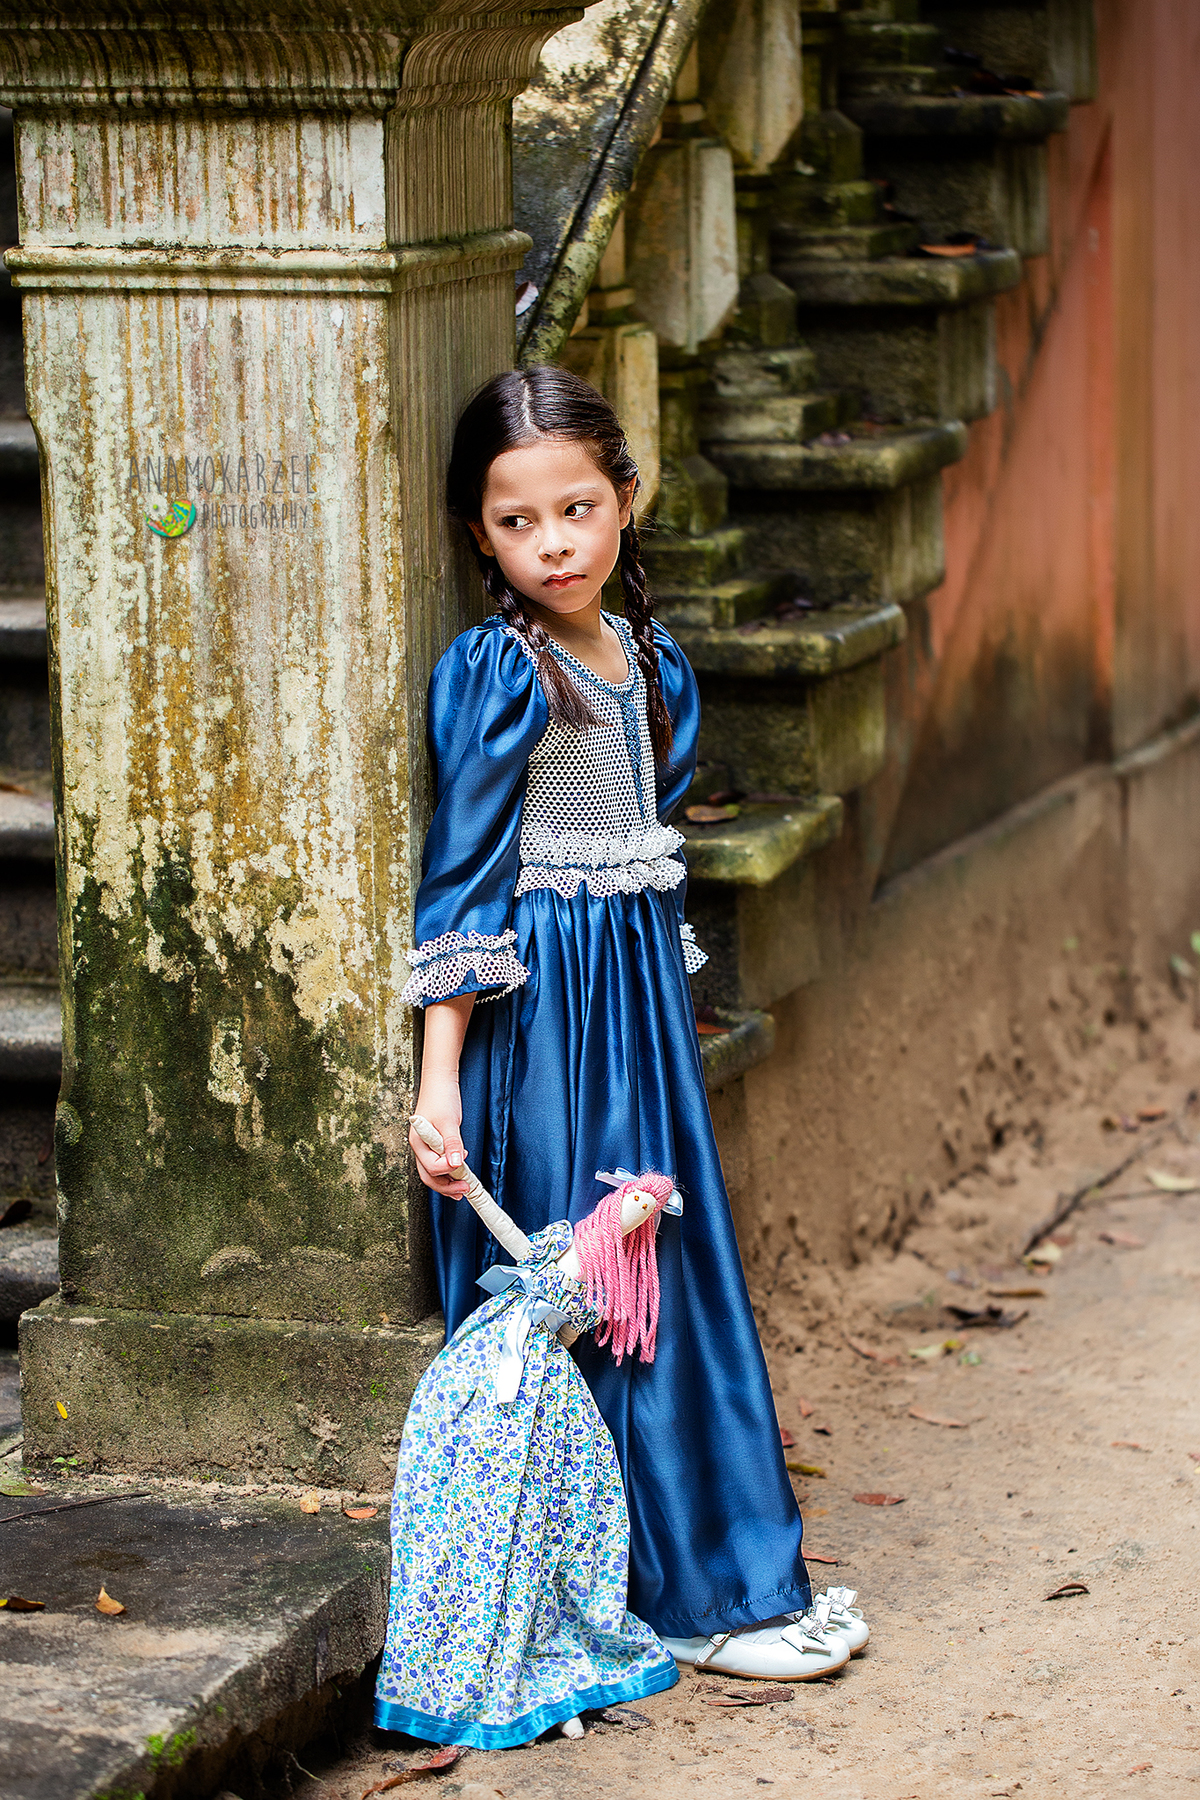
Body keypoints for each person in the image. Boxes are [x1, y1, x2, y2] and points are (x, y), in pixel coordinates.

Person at [401, 365, 863, 1680]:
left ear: (625, 501)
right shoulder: (498, 674)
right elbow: (465, 881)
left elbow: (642, 852)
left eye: (576, 507)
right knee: (606, 1288)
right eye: (514, 522)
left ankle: (725, 1578)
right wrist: (442, 1088)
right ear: (475, 533)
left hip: (637, 1019)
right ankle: (671, 1599)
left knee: (677, 1280)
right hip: (546, 1033)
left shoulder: (655, 663)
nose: (552, 542)